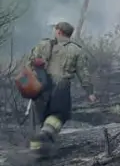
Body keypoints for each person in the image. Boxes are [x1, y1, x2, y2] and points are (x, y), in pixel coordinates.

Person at [27, 21, 96, 155]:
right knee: (59, 115)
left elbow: (29, 64)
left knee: (41, 118)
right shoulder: (76, 50)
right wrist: (90, 92)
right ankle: (45, 135)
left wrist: (31, 83)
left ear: (58, 32)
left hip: (40, 86)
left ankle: (35, 153)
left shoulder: (43, 45)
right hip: (61, 86)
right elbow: (84, 73)